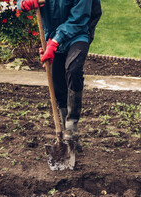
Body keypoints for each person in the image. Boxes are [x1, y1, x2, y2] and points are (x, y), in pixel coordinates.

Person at [17, 0, 102, 148]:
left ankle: (71, 127)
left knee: (73, 69)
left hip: (79, 32)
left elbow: (79, 17)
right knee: (58, 86)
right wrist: (23, 3)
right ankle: (67, 137)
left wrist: (55, 42)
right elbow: (20, 2)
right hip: (52, 35)